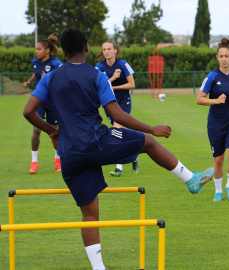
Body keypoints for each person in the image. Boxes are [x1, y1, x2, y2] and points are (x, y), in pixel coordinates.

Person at [23, 27, 213, 270]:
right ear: (86, 48)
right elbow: (116, 114)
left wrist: (52, 130)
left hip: (69, 154)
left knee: (90, 216)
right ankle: (191, 179)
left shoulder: (50, 77)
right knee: (149, 142)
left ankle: (99, 268)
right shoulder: (96, 75)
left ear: (65, 50)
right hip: (98, 141)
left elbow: (28, 111)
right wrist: (152, 128)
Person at [196, 38, 229, 202]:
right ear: (217, 58)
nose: (224, 59)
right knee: (218, 160)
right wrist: (215, 101)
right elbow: (199, 99)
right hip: (215, 124)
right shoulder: (212, 76)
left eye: (227, 56)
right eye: (221, 56)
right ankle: (218, 191)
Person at [95, 41, 138, 177]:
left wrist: (113, 87)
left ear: (115, 50)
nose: (106, 51)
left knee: (116, 130)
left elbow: (132, 84)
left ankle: (119, 168)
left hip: (124, 102)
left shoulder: (123, 64)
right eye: (104, 49)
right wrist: (112, 79)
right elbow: (96, 86)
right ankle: (134, 154)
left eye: (109, 49)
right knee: (121, 132)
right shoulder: (99, 67)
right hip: (108, 103)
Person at [22, 33, 63, 174]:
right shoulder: (35, 61)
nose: (36, 51)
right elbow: (36, 72)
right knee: (36, 129)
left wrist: (49, 80)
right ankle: (34, 163)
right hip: (39, 100)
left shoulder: (57, 64)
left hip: (53, 101)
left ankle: (58, 161)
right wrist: (29, 81)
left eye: (39, 49)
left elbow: (63, 82)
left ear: (47, 50)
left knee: (54, 132)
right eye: (36, 49)